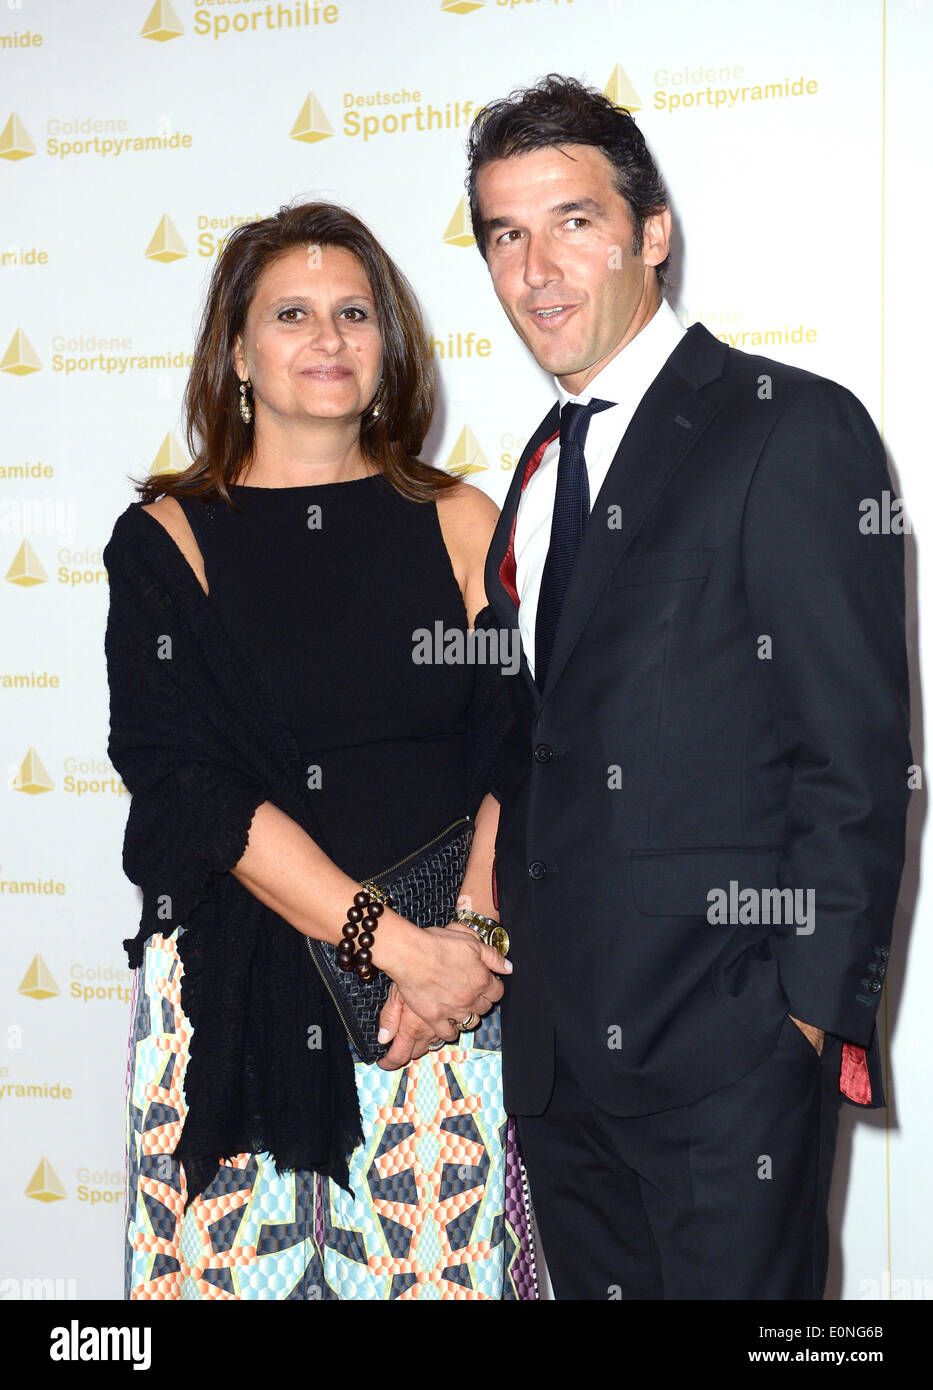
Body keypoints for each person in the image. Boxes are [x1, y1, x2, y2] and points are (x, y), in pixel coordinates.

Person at [466, 74, 911, 1299]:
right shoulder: (541, 466)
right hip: (561, 1066)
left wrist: (800, 1029)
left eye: (573, 222)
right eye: (506, 234)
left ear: (651, 234)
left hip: (726, 1060)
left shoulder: (789, 428)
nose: (538, 270)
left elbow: (857, 758)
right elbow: (545, 738)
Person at [104, 200, 537, 1300]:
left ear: (388, 345)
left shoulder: (460, 518)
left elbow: (522, 747)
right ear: (238, 351)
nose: (328, 338)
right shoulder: (167, 539)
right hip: (242, 1008)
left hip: (449, 1008)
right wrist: (390, 945)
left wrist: (467, 944)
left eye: (353, 312)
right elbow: (188, 789)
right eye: (292, 313)